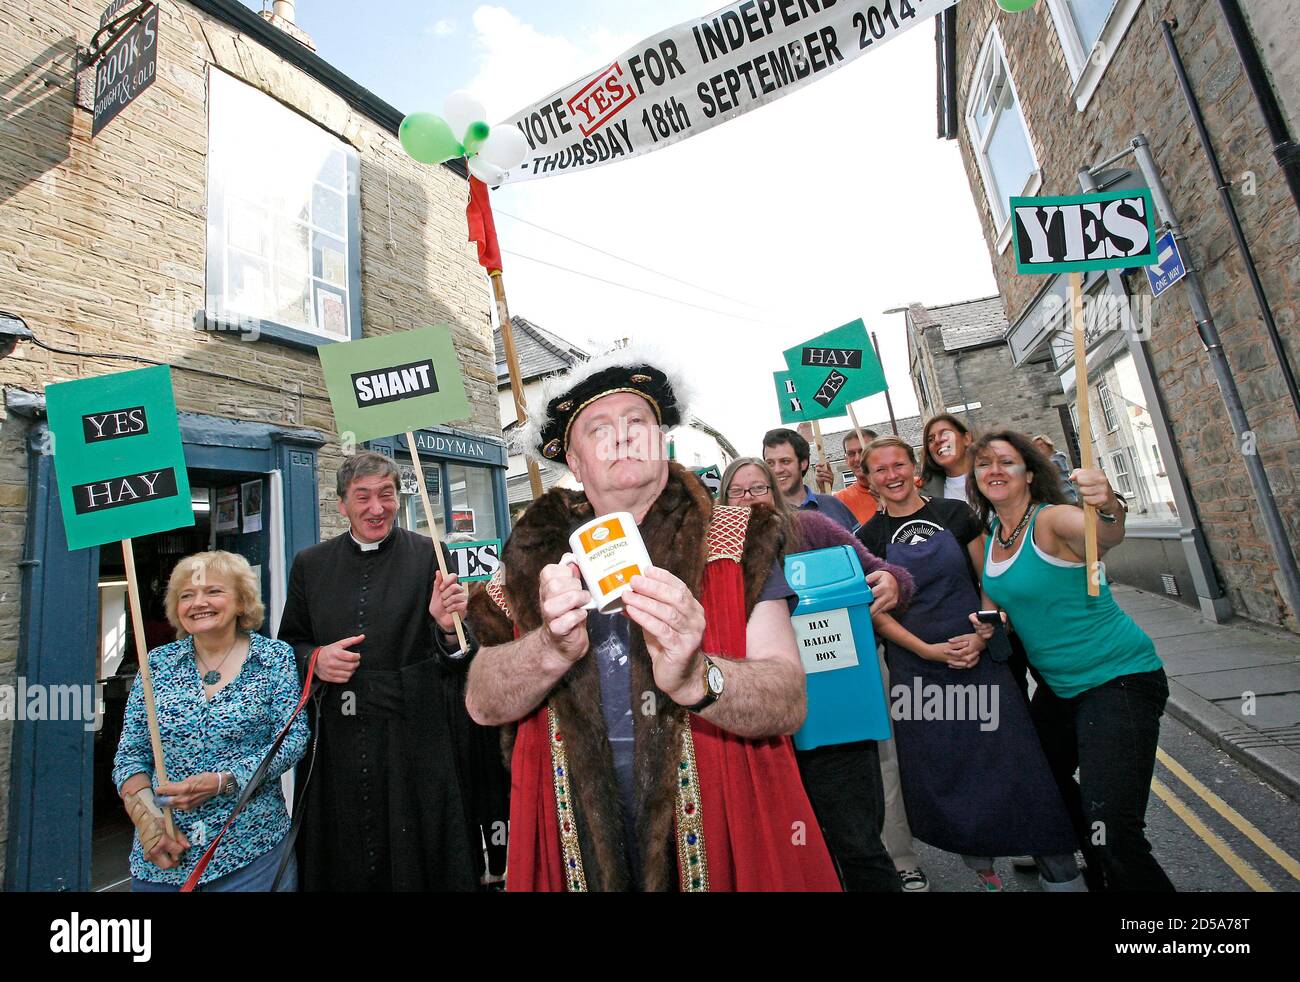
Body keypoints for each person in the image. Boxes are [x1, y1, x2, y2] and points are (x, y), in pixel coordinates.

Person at [465, 349, 841, 891]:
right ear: (574, 462)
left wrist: (698, 677)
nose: (622, 437)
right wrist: (549, 648)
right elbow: (482, 701)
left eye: (637, 422)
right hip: (575, 835)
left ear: (662, 440)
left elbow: (788, 700)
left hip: (719, 825)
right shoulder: (532, 559)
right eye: (598, 428)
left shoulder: (737, 537)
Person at [858, 438, 1083, 891]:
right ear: (868, 479)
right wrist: (926, 650)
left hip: (979, 661)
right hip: (918, 674)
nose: (891, 475)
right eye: (879, 469)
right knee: (950, 773)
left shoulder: (955, 515)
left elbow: (990, 577)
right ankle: (985, 874)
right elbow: (876, 613)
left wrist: (982, 632)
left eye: (898, 464)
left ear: (914, 469)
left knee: (1018, 768)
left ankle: (1062, 876)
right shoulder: (867, 539)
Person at [971, 430, 1174, 892]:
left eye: (1007, 461)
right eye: (984, 464)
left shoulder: (1053, 520)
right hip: (1061, 690)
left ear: (1028, 471)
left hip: (1117, 680)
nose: (995, 470)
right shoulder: (995, 535)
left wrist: (1107, 506)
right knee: (1041, 779)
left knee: (1116, 832)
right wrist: (993, 625)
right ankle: (1103, 873)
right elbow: (1005, 607)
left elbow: (1102, 539)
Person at [277, 451, 479, 891]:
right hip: (338, 742)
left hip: (413, 739)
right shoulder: (310, 564)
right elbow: (288, 647)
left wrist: (447, 628)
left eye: (387, 495)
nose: (376, 508)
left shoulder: (431, 554)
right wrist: (315, 660)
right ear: (342, 505)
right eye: (362, 497)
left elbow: (462, 655)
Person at [719, 457, 912, 892]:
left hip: (835, 720)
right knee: (796, 851)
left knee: (857, 844)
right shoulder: (716, 552)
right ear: (724, 500)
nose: (749, 500)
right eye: (738, 491)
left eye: (759, 489)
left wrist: (892, 581)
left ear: (775, 492)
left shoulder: (810, 529)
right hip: (764, 728)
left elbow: (880, 569)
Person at [113, 550, 308, 891]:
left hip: (251, 855)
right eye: (187, 595)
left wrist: (225, 781)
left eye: (213, 591)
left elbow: (292, 739)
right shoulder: (157, 665)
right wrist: (150, 823)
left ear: (241, 601)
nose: (198, 602)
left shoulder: (274, 658)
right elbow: (130, 755)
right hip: (166, 862)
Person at [761, 427, 859, 532]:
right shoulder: (763, 518)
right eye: (770, 463)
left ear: (803, 463)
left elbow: (859, 545)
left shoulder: (833, 505)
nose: (777, 470)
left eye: (785, 461)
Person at [822, 429, 881, 525]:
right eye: (851, 454)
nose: (857, 458)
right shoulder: (840, 501)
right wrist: (824, 492)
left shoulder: (907, 488)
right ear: (846, 459)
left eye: (863, 451)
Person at [920, 413, 974, 501]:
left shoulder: (993, 475)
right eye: (931, 440)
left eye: (945, 433)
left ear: (966, 439)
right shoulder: (925, 496)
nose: (937, 440)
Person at [1034, 434, 1080, 504]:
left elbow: (1050, 468)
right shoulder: (1041, 461)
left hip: (1067, 497)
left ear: (1048, 444)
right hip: (1055, 501)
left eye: (1041, 445)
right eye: (1036, 447)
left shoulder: (1059, 456)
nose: (1039, 448)